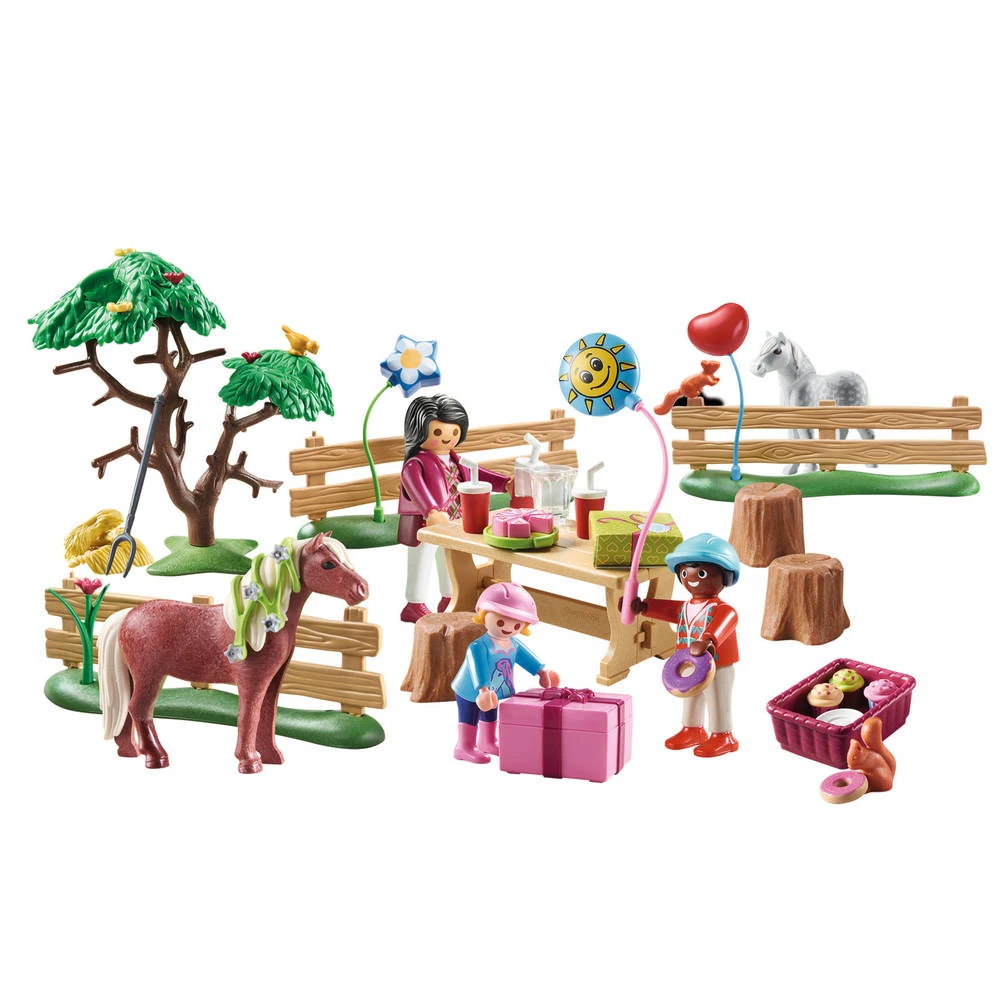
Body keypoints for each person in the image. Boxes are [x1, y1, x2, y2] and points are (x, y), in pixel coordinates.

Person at [397, 394, 510, 622]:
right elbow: (416, 487)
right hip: (424, 524)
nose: (447, 438)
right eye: (437, 432)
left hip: (452, 523)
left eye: (455, 431)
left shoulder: (455, 460)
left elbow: (478, 474)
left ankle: (450, 597)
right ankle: (414, 604)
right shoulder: (415, 463)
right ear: (419, 431)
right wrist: (431, 510)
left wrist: (504, 484)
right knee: (422, 560)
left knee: (450, 559)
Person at [633, 533, 741, 757]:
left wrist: (708, 640)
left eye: (701, 573)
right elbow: (667, 609)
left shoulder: (723, 609)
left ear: (726, 576)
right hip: (690, 661)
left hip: (718, 664)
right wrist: (643, 606)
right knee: (691, 697)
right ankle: (692, 730)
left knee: (717, 699)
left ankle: (723, 736)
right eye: (684, 572)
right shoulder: (686, 607)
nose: (691, 577)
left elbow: (725, 623)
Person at [451, 583, 559, 763]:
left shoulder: (513, 644)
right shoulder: (478, 646)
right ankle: (464, 747)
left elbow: (527, 658)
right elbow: (478, 667)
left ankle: (488, 741)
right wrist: (483, 690)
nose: (508, 628)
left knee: (490, 714)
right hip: (469, 690)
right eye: (500, 622)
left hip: (492, 690)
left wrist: (541, 672)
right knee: (469, 717)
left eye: (516, 625)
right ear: (483, 615)